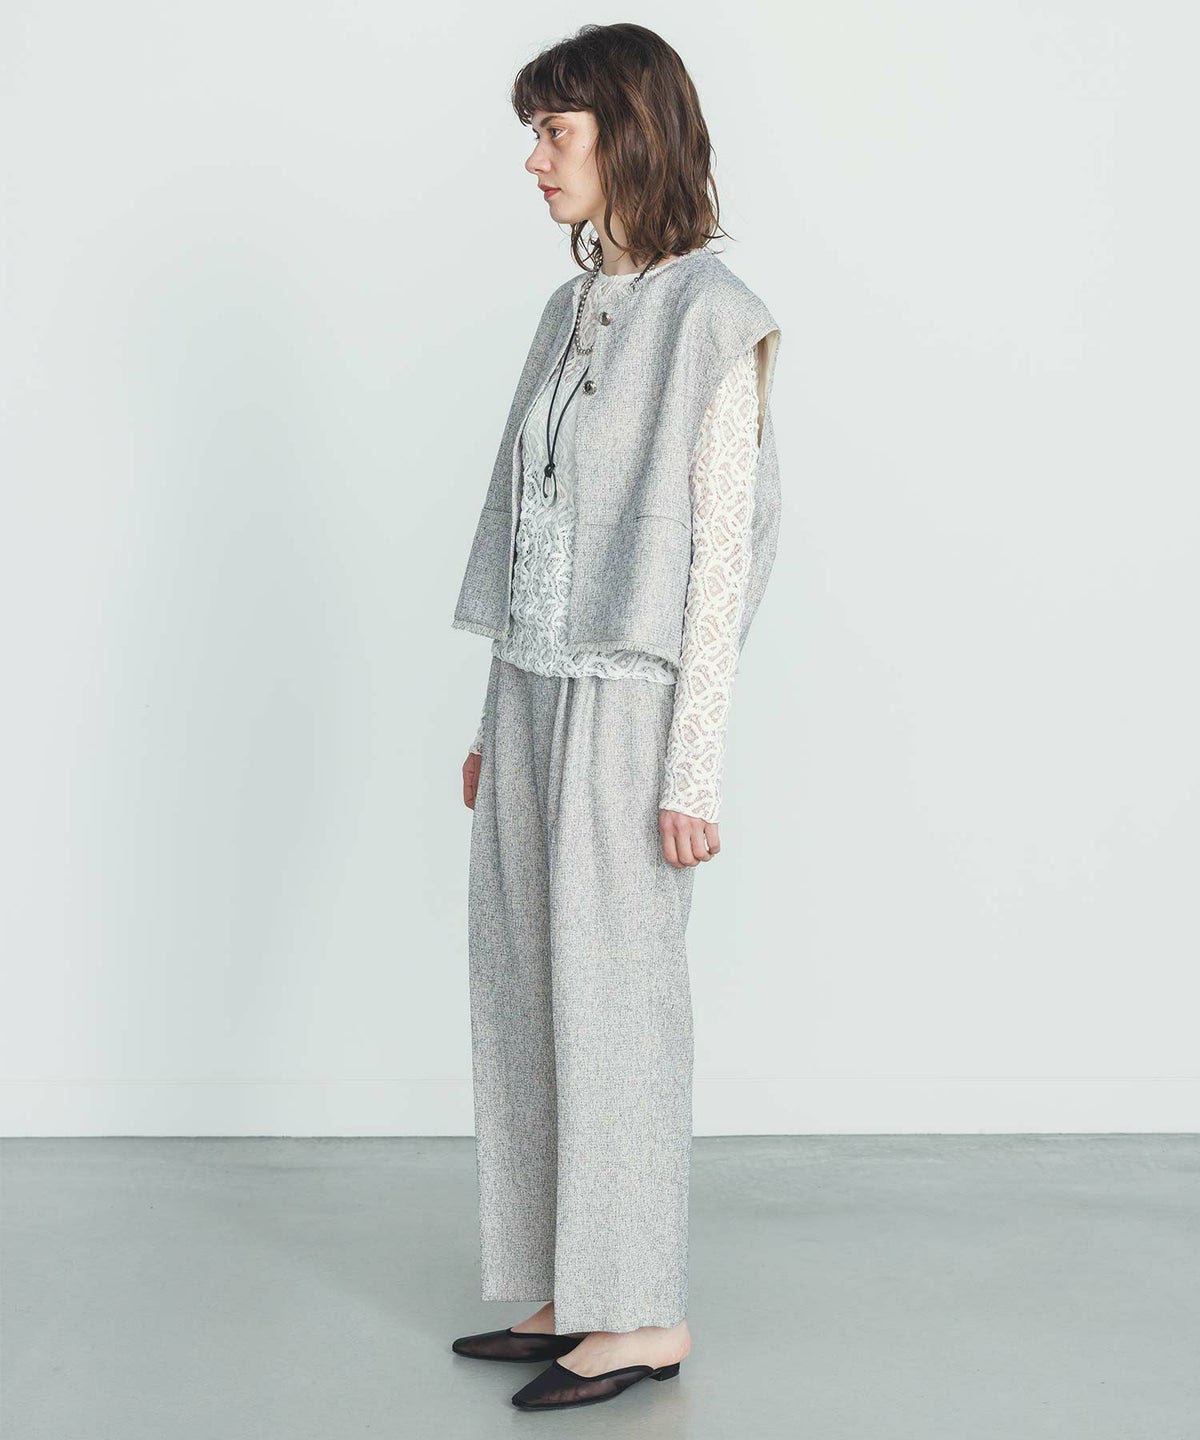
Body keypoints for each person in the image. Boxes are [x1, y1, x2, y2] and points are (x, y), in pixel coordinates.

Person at [448, 22, 783, 1412]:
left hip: (632, 705)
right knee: (525, 985)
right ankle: (562, 1285)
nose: (534, 160)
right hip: (533, 686)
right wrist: (496, 713)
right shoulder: (568, 309)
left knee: (618, 1004)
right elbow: (535, 527)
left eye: (556, 132)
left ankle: (641, 1312)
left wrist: (691, 765)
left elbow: (725, 558)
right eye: (534, 133)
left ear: (626, 133)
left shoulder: (714, 316)